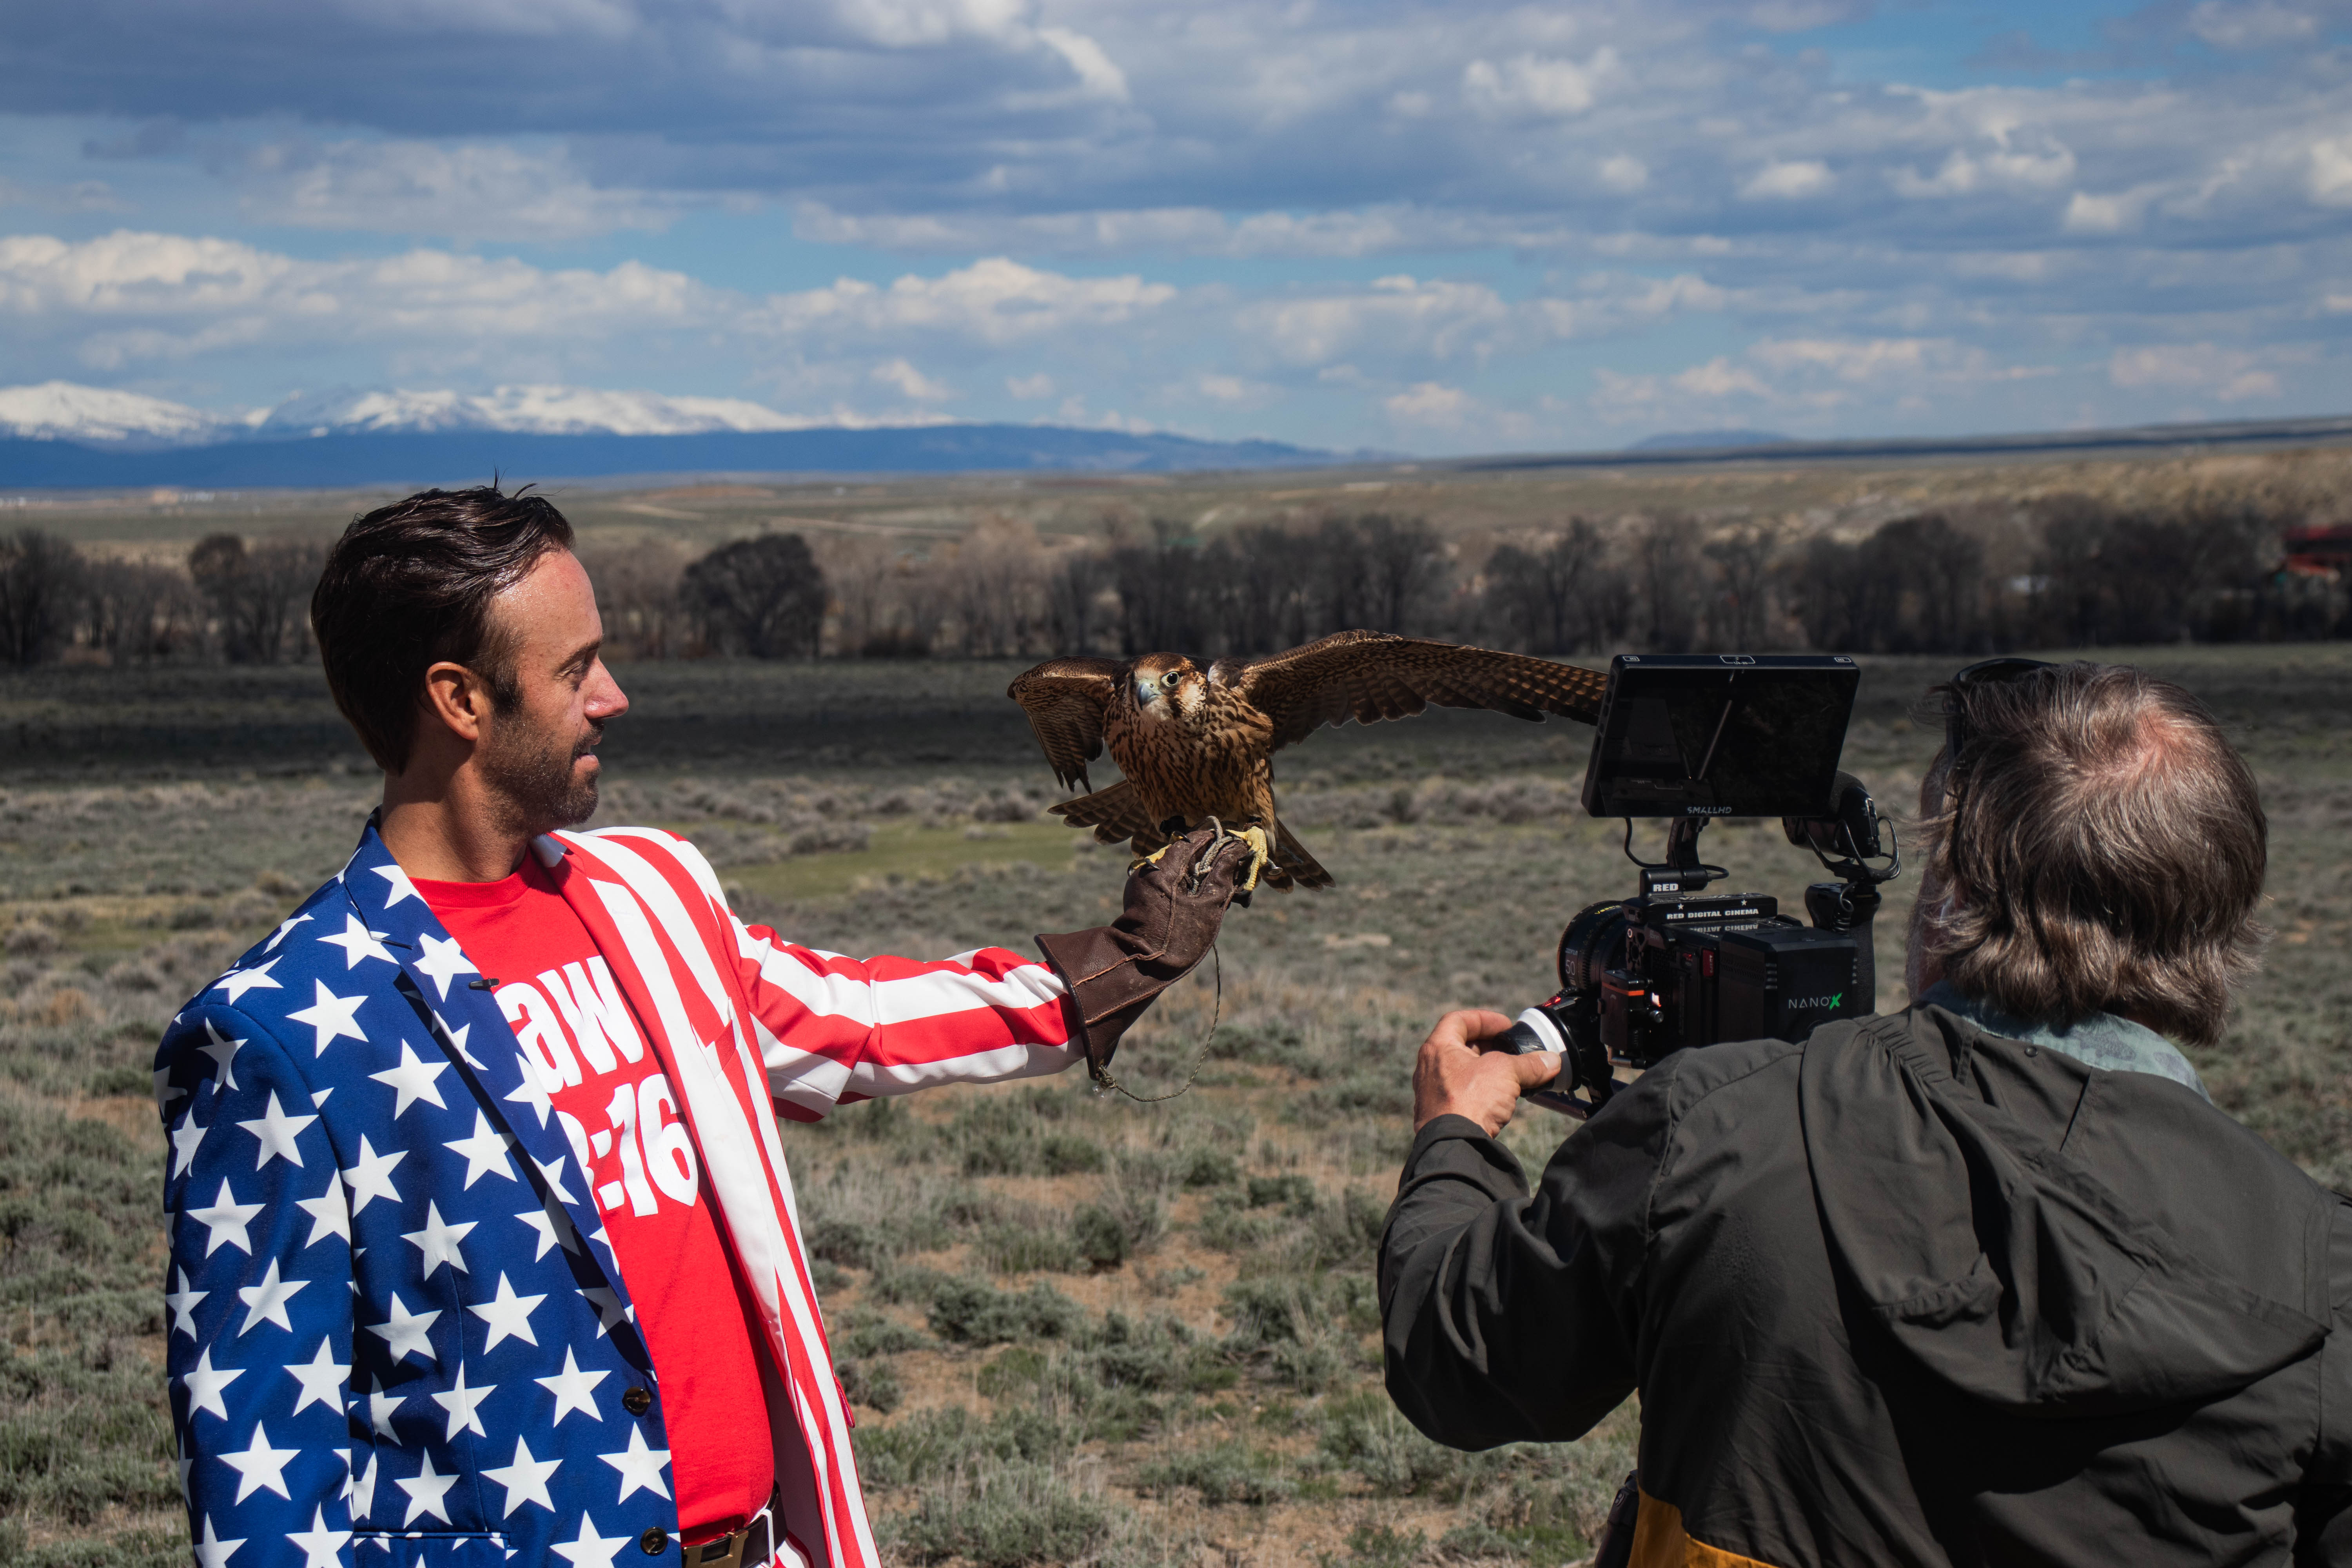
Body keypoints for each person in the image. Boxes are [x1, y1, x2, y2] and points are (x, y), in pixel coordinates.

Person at [156, 485, 1247, 1568]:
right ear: (460, 700)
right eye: (575, 668)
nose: (615, 697)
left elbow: (853, 1023)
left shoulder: (652, 889)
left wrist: (1115, 968)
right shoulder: (281, 1032)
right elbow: (265, 1490)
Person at [1380, 659, 2352, 1567]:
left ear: (1954, 896)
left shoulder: (1719, 1130)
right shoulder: (2320, 1274)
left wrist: (1453, 1143)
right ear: (2219, 917)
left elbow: (1459, 1361)